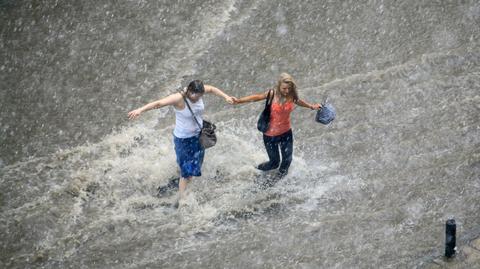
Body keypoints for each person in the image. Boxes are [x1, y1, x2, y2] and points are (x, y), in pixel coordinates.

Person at [128, 80, 234, 201]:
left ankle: (182, 173)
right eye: (195, 96)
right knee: (187, 174)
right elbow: (158, 103)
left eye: (200, 96)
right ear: (189, 90)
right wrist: (140, 110)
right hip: (183, 140)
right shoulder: (178, 98)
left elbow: (213, 89)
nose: (197, 99)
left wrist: (226, 97)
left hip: (198, 136)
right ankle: (183, 200)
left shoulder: (200, 91)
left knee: (196, 165)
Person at [232, 73, 321, 185]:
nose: (286, 91)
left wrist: (311, 106)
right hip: (270, 136)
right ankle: (255, 170)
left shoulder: (292, 95)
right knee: (274, 163)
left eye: (289, 88)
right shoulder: (272, 94)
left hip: (286, 134)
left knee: (287, 161)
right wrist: (239, 101)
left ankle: (276, 184)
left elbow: (298, 101)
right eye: (284, 88)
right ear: (279, 86)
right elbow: (256, 97)